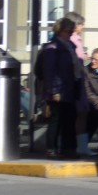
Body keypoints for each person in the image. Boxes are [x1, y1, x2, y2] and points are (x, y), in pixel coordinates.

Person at [38, 17, 85, 158]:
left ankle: (68, 149)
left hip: (71, 87)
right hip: (59, 89)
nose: (71, 33)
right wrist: (54, 91)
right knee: (56, 120)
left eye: (72, 30)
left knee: (70, 120)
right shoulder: (52, 48)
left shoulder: (70, 45)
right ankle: (51, 149)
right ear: (60, 31)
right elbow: (50, 72)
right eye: (68, 31)